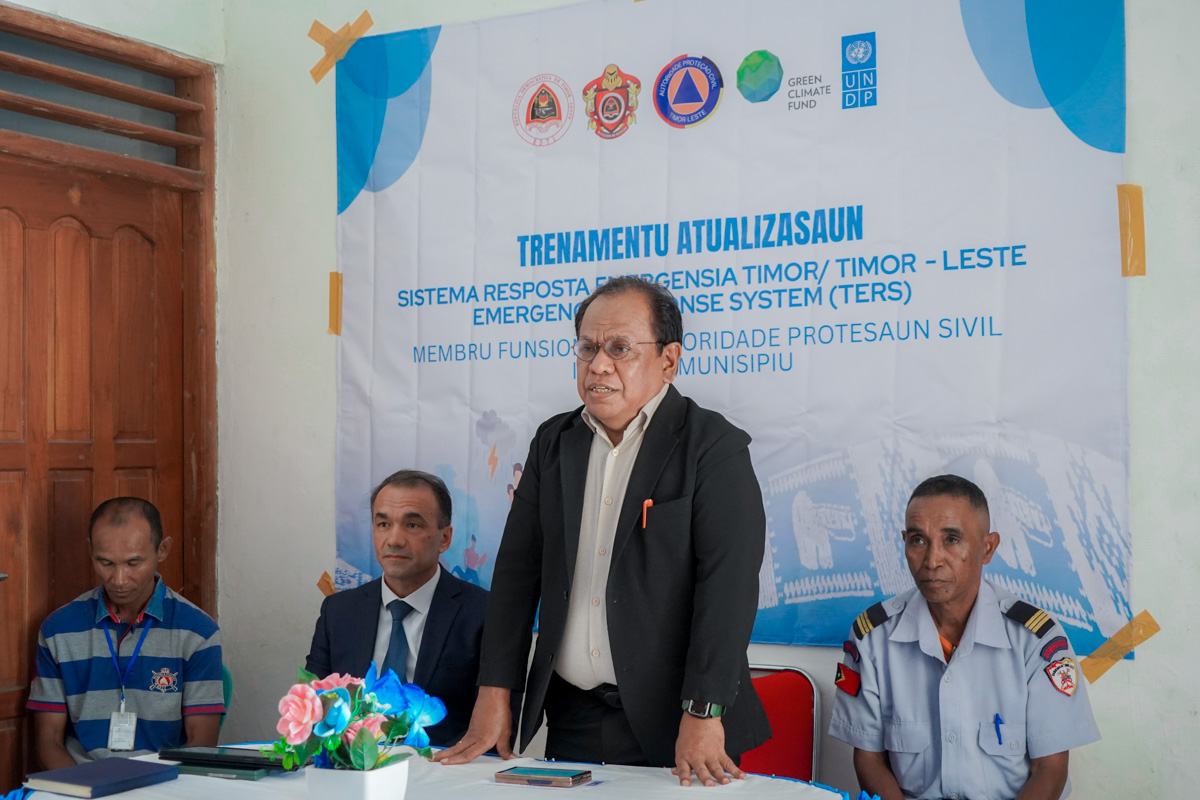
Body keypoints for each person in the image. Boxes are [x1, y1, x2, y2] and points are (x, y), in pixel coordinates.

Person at [436, 276, 770, 787]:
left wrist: (703, 711)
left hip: (681, 722)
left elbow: (729, 589)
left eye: (620, 348)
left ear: (668, 359)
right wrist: (495, 692)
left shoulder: (712, 446)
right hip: (573, 716)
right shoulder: (554, 442)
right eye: (587, 348)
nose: (598, 365)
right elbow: (516, 576)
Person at [828, 475, 1101, 800]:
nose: (932, 560)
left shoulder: (1036, 641)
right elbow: (869, 759)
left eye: (952, 540)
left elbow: (1050, 769)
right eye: (918, 540)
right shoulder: (872, 637)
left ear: (987, 548)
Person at [28, 498, 224, 768]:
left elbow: (200, 744)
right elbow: (48, 740)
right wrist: (84, 787)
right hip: (81, 779)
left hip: (164, 780)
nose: (118, 580)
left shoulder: (198, 633)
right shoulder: (58, 630)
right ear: (91, 550)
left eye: (133, 563)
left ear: (163, 550)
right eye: (106, 563)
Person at [306, 469, 489, 747]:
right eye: (383, 524)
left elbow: (493, 730)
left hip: (444, 768)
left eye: (412, 525)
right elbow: (314, 711)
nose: (394, 540)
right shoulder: (338, 612)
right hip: (352, 768)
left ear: (445, 538)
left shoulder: (483, 613)